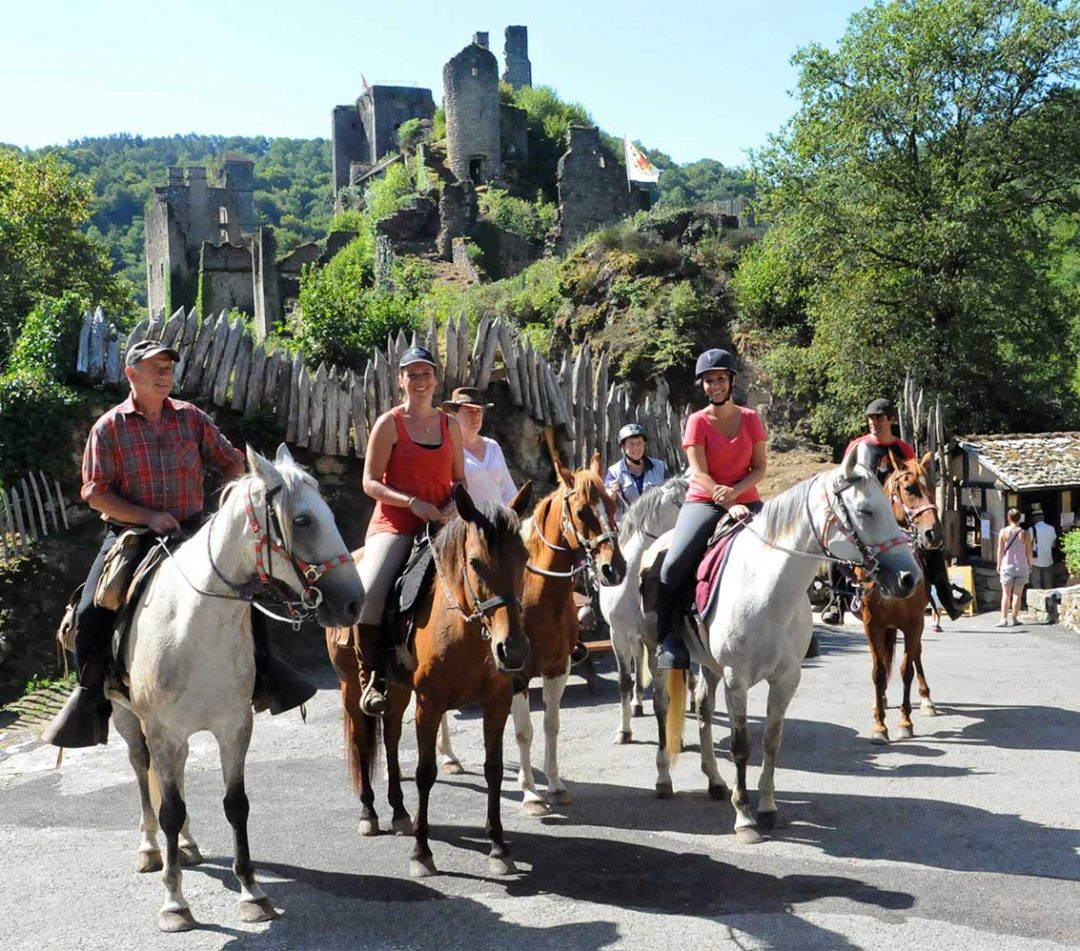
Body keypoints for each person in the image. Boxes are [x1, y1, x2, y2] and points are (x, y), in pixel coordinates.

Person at [43, 340, 315, 749]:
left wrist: (229, 511)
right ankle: (90, 696)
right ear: (131, 374)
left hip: (190, 529)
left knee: (247, 590)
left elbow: (233, 463)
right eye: (154, 367)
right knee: (90, 610)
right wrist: (147, 516)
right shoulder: (110, 427)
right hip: (131, 535)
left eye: (168, 368)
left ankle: (264, 673)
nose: (164, 374)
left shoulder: (191, 418)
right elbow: (96, 494)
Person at [355, 345, 465, 716]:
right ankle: (372, 677)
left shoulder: (451, 424)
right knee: (370, 592)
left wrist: (453, 505)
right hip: (395, 523)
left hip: (444, 523)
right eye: (412, 375)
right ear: (400, 380)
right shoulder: (390, 423)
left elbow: (459, 480)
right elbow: (370, 482)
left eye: (426, 374)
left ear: (436, 379)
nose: (420, 381)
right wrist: (411, 503)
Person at [656, 349, 767, 670]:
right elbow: (700, 473)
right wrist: (728, 503)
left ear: (731, 381)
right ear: (702, 386)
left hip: (746, 497)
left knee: (784, 549)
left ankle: (800, 630)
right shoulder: (697, 422)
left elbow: (760, 468)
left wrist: (736, 494)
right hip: (704, 500)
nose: (714, 385)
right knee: (671, 567)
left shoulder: (750, 419)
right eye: (708, 381)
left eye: (719, 379)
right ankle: (668, 638)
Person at [821, 397, 972, 625]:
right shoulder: (858, 446)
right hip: (865, 511)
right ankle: (836, 601)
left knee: (932, 545)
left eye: (880, 417)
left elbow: (913, 479)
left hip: (897, 513)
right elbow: (845, 478)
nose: (874, 422)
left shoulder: (903, 448)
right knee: (837, 543)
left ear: (891, 419)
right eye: (871, 418)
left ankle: (947, 597)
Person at [441, 387, 517, 506]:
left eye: (478, 412)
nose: (475, 417)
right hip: (468, 521)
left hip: (499, 519)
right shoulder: (449, 450)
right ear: (453, 415)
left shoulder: (492, 446)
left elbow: (508, 490)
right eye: (469, 412)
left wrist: (511, 515)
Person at [604, 423, 668, 522]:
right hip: (626, 527)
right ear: (623, 446)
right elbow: (607, 505)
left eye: (639, 443)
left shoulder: (660, 467)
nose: (636, 448)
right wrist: (612, 494)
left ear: (645, 444)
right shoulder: (614, 472)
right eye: (631, 444)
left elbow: (670, 496)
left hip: (656, 525)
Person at [996, 508, 1032, 626]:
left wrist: (999, 563)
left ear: (1008, 518)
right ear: (1019, 518)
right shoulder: (1025, 533)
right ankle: (1015, 618)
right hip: (1022, 565)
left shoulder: (1003, 532)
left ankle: (1003, 619)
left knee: (1006, 594)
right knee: (1018, 594)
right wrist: (1029, 564)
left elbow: (1000, 550)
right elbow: (1028, 550)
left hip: (1007, 565)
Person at [1027, 505, 1058, 590]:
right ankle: (1050, 602)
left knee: (1036, 584)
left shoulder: (1031, 529)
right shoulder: (1051, 528)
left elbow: (1027, 546)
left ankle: (1038, 602)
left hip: (1035, 561)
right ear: (1043, 517)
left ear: (1034, 519)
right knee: (1048, 585)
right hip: (1048, 560)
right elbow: (1053, 545)